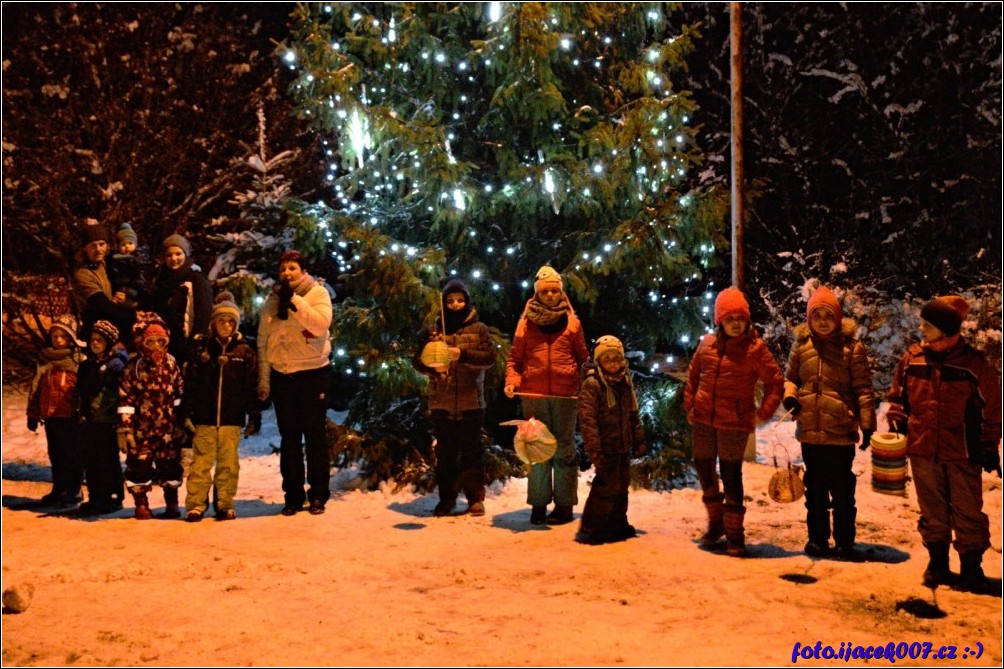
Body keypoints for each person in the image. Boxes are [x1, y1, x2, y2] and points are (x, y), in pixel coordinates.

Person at [887, 295, 1002, 594]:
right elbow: (897, 396)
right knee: (932, 511)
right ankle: (937, 563)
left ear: (945, 329)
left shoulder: (973, 364)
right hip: (922, 449)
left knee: (967, 511)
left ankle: (971, 569)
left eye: (928, 325)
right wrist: (897, 419)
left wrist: (990, 446)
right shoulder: (912, 359)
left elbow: (993, 409)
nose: (921, 329)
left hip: (962, 451)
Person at [684, 287, 784, 557]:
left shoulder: (755, 349)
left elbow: (775, 382)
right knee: (704, 469)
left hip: (734, 422)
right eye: (730, 319)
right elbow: (693, 376)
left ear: (747, 320)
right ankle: (716, 524)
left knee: (730, 475)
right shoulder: (707, 345)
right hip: (704, 420)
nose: (736, 323)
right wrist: (690, 406)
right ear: (720, 321)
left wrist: (763, 412)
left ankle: (735, 534)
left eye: (740, 318)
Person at [782, 286, 876, 559]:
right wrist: (790, 397)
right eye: (817, 315)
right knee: (815, 489)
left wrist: (867, 424)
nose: (822, 321)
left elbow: (863, 389)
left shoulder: (851, 349)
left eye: (828, 315)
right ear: (809, 319)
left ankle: (844, 541)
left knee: (842, 489)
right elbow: (791, 379)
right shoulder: (801, 347)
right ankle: (817, 539)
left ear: (838, 318)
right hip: (810, 432)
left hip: (840, 431)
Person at [504, 265, 589, 526]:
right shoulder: (525, 324)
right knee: (537, 449)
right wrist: (512, 381)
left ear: (561, 292)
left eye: (554, 291)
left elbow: (583, 358)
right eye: (545, 291)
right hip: (534, 396)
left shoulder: (573, 323)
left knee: (564, 449)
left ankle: (564, 505)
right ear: (537, 294)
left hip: (565, 397)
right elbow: (515, 359)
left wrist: (586, 382)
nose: (551, 295)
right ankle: (538, 505)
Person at [257, 250, 334, 516]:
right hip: (283, 376)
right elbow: (263, 343)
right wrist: (264, 380)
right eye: (283, 269)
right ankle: (293, 496)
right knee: (289, 439)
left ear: (302, 270)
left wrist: (295, 300)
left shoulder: (317, 293)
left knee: (314, 437)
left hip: (313, 374)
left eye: (292, 268)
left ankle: (318, 495)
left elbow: (320, 325)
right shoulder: (271, 300)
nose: (287, 273)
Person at [413, 279, 494, 517]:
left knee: (472, 453)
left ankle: (475, 498)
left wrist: (463, 354)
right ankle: (447, 499)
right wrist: (432, 367)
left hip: (471, 401)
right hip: (442, 401)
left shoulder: (479, 329)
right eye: (450, 301)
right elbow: (417, 360)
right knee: (445, 454)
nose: (455, 304)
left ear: (466, 301)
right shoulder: (434, 330)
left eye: (459, 300)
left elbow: (489, 357)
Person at [182, 292, 260, 522]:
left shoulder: (244, 352)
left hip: (231, 419)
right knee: (200, 464)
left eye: (230, 322)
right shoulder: (202, 350)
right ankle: (196, 504)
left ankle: (225, 503)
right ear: (213, 324)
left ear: (236, 325)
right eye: (221, 321)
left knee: (228, 464)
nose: (226, 326)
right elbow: (191, 383)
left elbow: (250, 386)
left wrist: (254, 414)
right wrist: (186, 412)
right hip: (204, 418)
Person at [575, 336, 646, 544]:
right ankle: (592, 527)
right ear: (599, 361)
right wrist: (594, 449)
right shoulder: (593, 384)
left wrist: (638, 439)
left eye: (617, 358)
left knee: (621, 486)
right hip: (605, 446)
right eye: (607, 359)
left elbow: (633, 413)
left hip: (622, 444)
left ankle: (617, 523)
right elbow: (588, 420)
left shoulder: (624, 381)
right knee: (604, 488)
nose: (613, 363)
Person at [118, 312, 185, 520]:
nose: (156, 346)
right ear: (142, 343)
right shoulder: (134, 367)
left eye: (160, 341)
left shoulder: (171, 364)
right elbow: (126, 399)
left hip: (167, 427)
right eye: (151, 342)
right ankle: (141, 503)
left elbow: (179, 394)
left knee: (170, 465)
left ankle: (172, 502)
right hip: (142, 428)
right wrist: (126, 428)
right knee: (138, 465)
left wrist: (181, 422)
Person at [27, 314, 86, 508]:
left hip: (70, 415)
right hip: (51, 415)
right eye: (55, 336)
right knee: (56, 454)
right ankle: (59, 488)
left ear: (71, 338)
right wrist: (33, 414)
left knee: (72, 454)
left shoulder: (77, 361)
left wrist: (83, 412)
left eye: (63, 336)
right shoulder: (45, 361)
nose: (59, 340)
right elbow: (36, 389)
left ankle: (74, 490)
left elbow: (84, 390)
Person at [76, 320, 129, 516]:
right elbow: (81, 391)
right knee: (91, 460)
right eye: (93, 339)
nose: (95, 343)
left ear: (109, 342)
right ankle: (96, 496)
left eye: (100, 340)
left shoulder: (116, 366)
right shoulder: (87, 365)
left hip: (107, 420)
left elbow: (120, 393)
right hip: (89, 418)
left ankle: (112, 497)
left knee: (107, 460)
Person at [145, 232, 213, 367]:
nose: (173, 258)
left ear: (185, 254)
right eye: (169, 255)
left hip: (186, 343)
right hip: (163, 342)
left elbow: (203, 314)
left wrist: (195, 343)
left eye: (178, 254)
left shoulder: (196, 279)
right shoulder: (161, 278)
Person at [70, 218, 136, 345]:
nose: (98, 249)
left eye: (101, 244)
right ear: (85, 248)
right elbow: (101, 305)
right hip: (95, 330)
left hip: (111, 321)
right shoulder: (83, 273)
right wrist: (133, 314)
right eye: (93, 245)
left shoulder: (105, 264)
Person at [108, 223, 149, 309]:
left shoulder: (139, 259)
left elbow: (141, 278)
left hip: (135, 289)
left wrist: (128, 289)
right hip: (120, 289)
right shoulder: (115, 259)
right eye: (123, 244)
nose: (127, 246)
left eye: (130, 243)